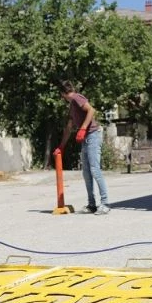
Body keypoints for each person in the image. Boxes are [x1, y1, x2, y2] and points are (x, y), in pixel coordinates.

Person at [54, 80, 110, 215]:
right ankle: (92, 205)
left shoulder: (76, 98)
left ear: (63, 94)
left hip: (93, 136)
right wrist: (62, 146)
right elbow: (68, 128)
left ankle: (105, 203)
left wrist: (83, 128)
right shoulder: (72, 106)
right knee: (86, 173)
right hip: (86, 138)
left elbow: (91, 110)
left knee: (95, 170)